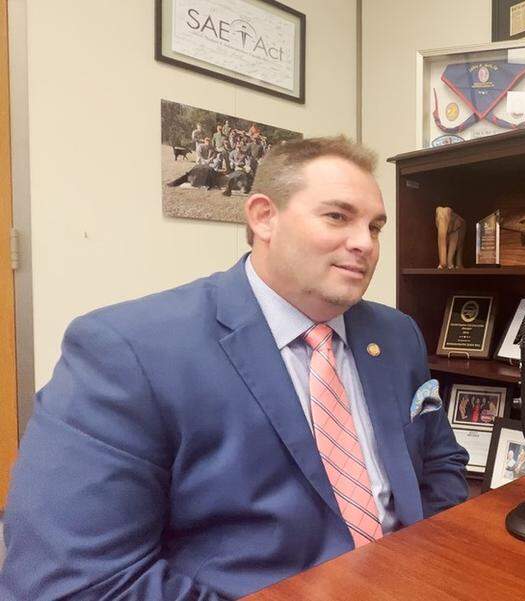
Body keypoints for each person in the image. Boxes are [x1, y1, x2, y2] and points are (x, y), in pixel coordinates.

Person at [1, 136, 470, 599]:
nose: (364, 243)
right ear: (264, 217)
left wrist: (425, 563)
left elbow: (440, 462)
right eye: (337, 217)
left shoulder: (397, 334)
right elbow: (75, 580)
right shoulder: (127, 352)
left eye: (375, 227)